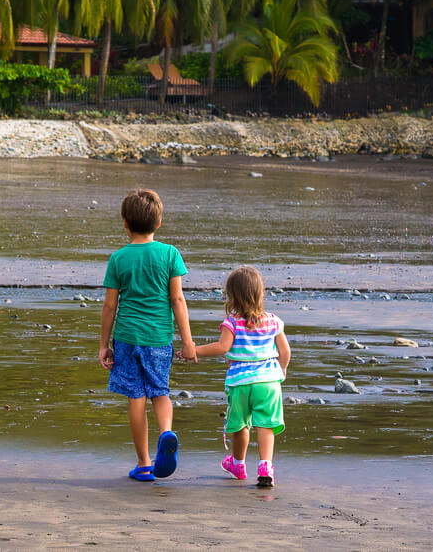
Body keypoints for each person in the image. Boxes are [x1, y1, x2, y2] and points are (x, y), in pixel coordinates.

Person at [100, 189, 197, 482]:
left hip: (128, 336)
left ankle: (143, 463)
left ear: (125, 223)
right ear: (158, 223)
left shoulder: (118, 258)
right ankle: (167, 432)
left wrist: (104, 344)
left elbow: (109, 305)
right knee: (160, 390)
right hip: (159, 337)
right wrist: (188, 341)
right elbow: (177, 300)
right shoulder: (170, 254)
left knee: (135, 396)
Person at [190, 266, 291, 487]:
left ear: (232, 296)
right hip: (269, 383)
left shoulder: (232, 322)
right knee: (265, 425)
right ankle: (266, 466)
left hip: (240, 383)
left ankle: (238, 463)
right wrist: (280, 371)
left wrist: (195, 350)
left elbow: (222, 347)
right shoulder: (274, 321)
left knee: (240, 425)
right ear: (261, 293)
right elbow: (285, 352)